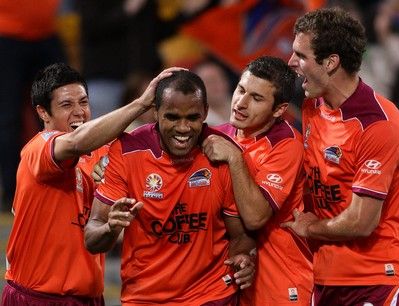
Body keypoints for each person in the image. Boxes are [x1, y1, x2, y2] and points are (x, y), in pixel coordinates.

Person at [1, 62, 181, 305]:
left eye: (83, 102)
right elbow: (76, 143)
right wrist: (141, 103)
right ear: (43, 112)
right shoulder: (38, 148)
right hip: (38, 298)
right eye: (66, 105)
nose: (79, 112)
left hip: (89, 298)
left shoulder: (103, 153)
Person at [84, 70, 256, 305]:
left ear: (206, 112)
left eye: (193, 118)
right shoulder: (127, 151)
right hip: (146, 298)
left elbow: (241, 234)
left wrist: (244, 256)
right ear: (156, 113)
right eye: (173, 117)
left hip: (211, 296)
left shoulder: (224, 152)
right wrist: (110, 228)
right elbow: (92, 238)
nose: (183, 128)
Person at [282, 7, 399, 305]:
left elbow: (362, 222)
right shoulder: (312, 106)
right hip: (324, 277)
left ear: (331, 62)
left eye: (301, 55)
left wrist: (309, 228)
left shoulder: (378, 123)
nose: (291, 62)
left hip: (373, 279)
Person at [202, 56, 313, 305]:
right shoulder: (218, 135)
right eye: (241, 90)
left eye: (257, 98)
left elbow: (255, 217)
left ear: (279, 109)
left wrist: (234, 156)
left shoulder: (286, 146)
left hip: (282, 284)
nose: (241, 103)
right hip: (231, 282)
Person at [0, 0, 66, 211]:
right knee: (8, 119)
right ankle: (13, 193)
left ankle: (61, 183)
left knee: (59, 111)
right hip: (7, 34)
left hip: (46, 32)